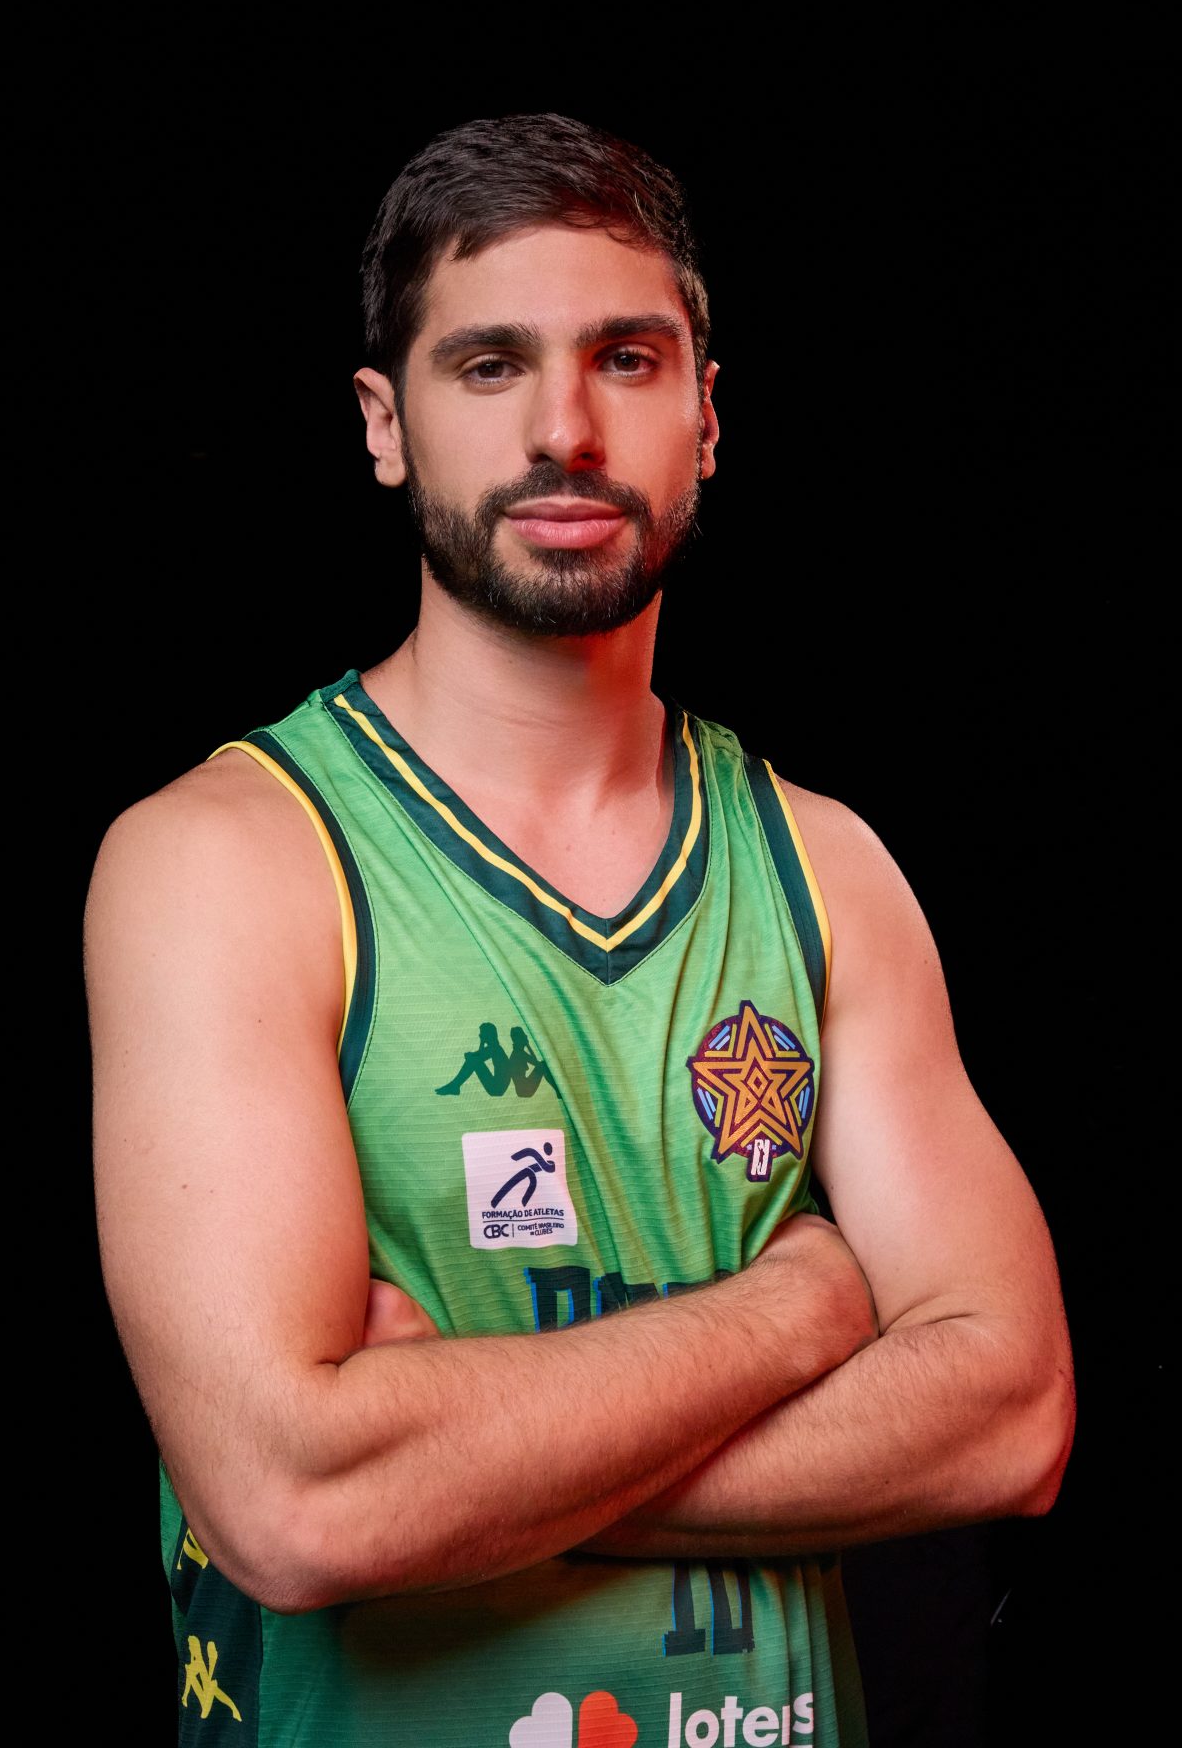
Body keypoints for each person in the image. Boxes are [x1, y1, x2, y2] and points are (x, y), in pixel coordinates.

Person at [86, 113, 1074, 1746]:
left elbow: (1013, 1415)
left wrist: (458, 1466)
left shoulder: (823, 868)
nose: (565, 429)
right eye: (489, 366)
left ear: (705, 417)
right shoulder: (227, 864)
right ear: (384, 424)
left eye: (626, 358)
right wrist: (798, 1311)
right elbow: (296, 1502)